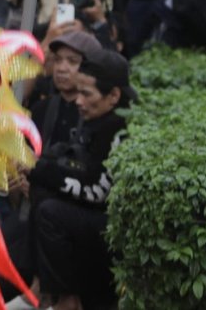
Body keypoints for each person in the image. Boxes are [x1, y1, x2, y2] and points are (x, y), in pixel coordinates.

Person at [31, 48, 131, 310]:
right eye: (78, 93)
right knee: (42, 194)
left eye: (86, 94)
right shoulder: (99, 118)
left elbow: (98, 191)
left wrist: (41, 170)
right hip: (96, 221)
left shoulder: (120, 129)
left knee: (51, 212)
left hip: (114, 230)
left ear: (113, 96)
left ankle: (66, 299)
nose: (78, 101)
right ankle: (46, 291)